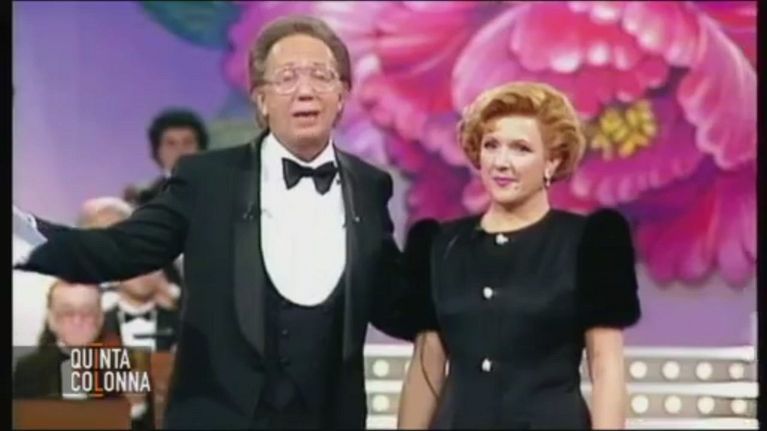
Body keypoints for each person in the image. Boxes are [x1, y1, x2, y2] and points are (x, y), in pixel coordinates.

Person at [16, 15, 413, 429]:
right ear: (261, 99)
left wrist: (457, 285)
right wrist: (21, 239)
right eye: (287, 77)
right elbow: (122, 249)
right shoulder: (208, 179)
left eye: (321, 75)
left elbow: (391, 301)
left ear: (342, 95)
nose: (305, 90)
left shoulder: (368, 187)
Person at [397, 82, 641, 429]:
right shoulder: (439, 245)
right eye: (491, 145)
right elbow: (426, 369)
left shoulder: (590, 243)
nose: (501, 162)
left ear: (552, 161)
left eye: (521, 149)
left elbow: (606, 368)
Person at [123, 109, 209, 207]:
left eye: (187, 142)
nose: (180, 150)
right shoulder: (143, 199)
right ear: (158, 151)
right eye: (171, 144)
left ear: (200, 149)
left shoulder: (220, 189)